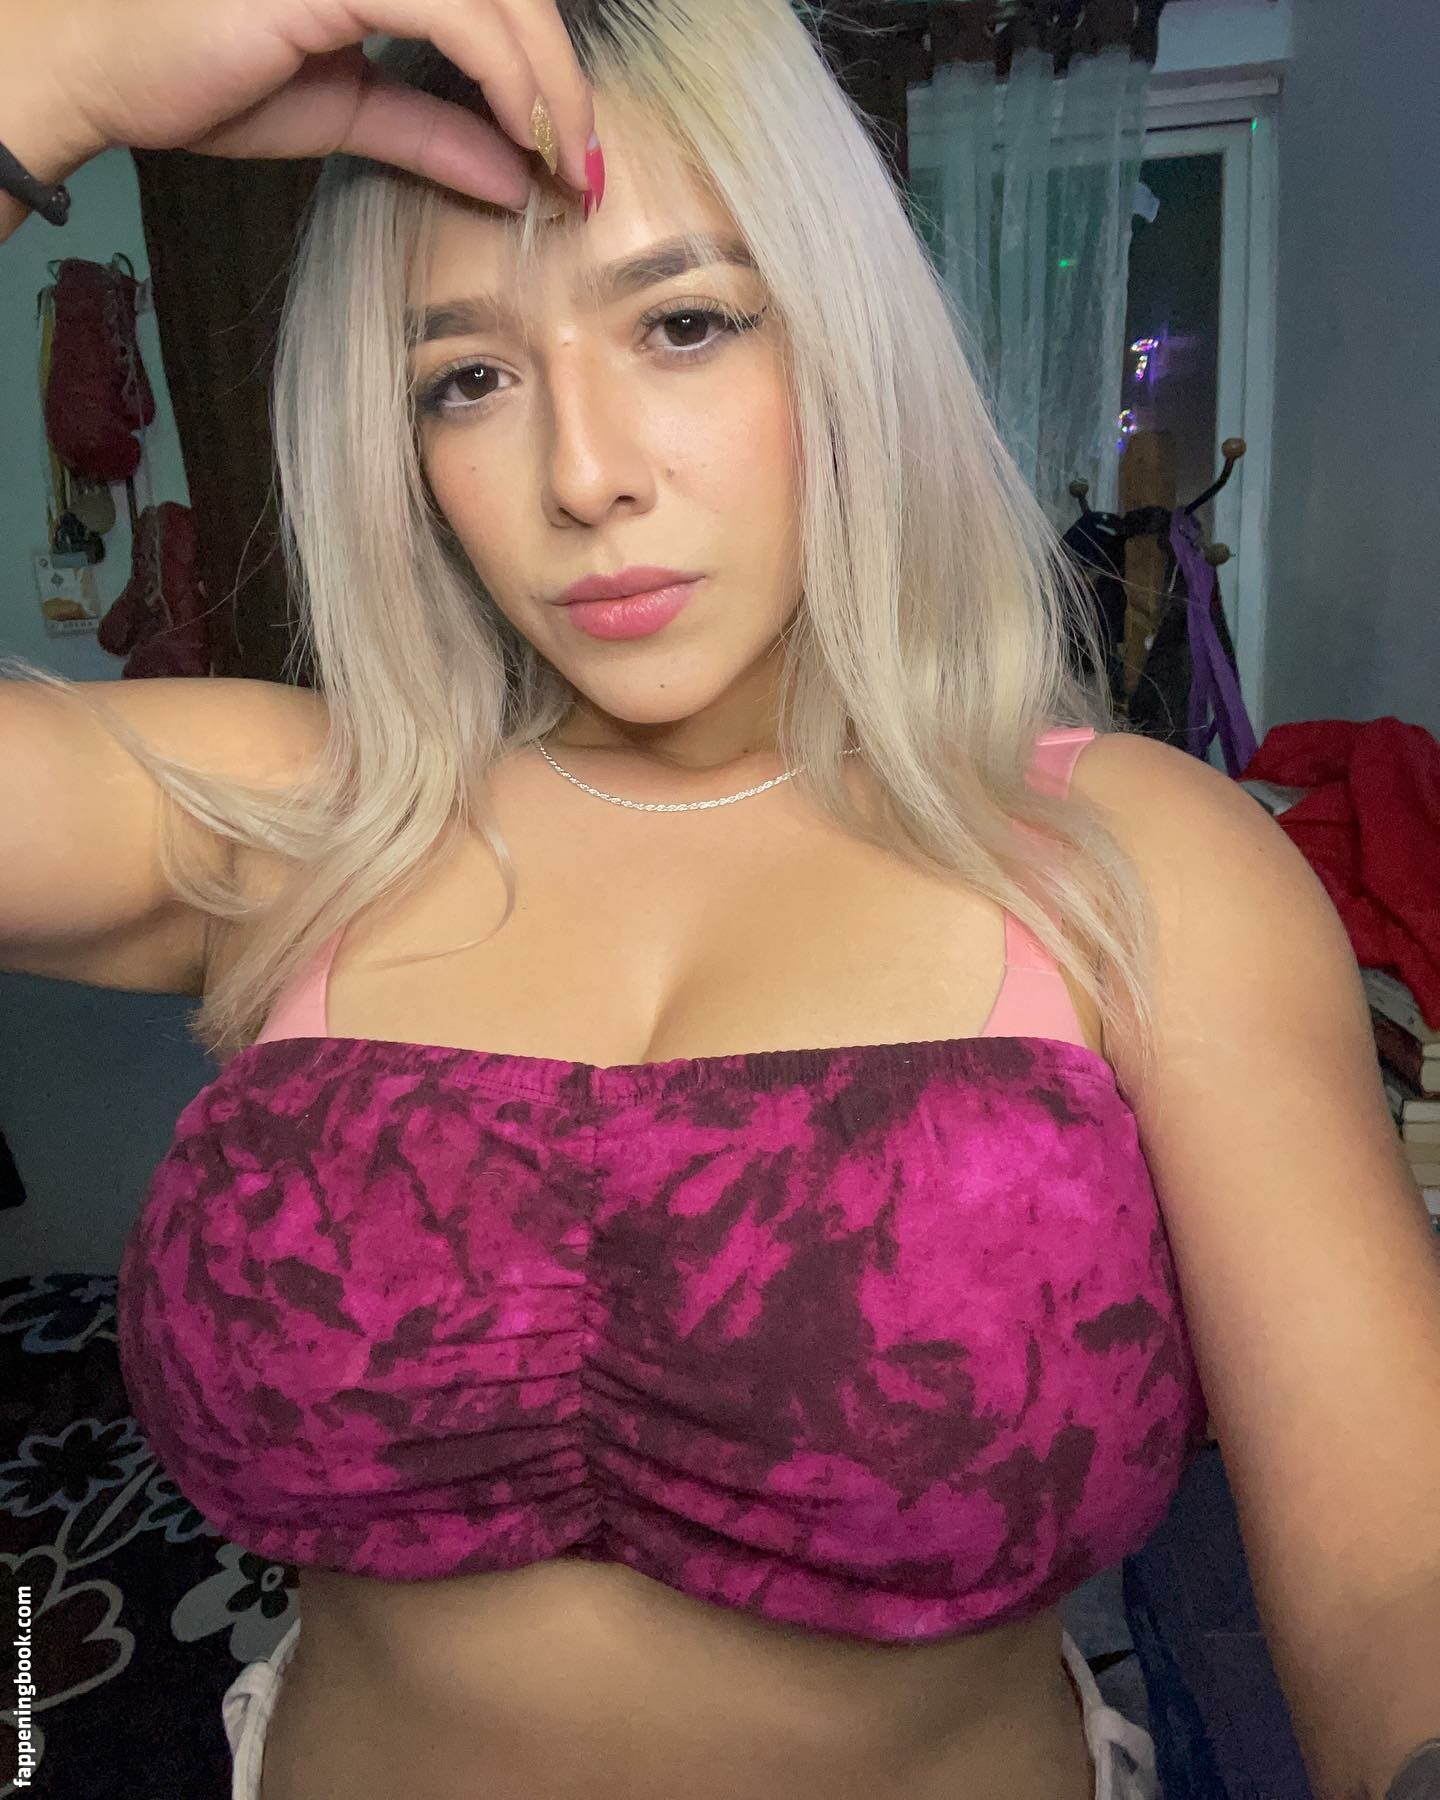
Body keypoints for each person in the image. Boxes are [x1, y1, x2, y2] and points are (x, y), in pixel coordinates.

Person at [4, 4, 1439, 1800]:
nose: (583, 474)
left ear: (842, 341)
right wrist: (35, 80)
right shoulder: (315, 814)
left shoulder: (1131, 860)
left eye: (684, 323)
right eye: (468, 378)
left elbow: (1397, 1573)